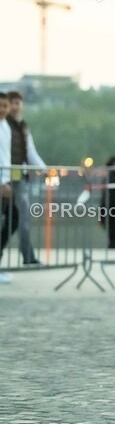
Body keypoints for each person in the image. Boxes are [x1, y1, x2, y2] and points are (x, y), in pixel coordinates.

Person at [6, 91, 46, 265]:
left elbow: (30, 151)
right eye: (12, 103)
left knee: (23, 218)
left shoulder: (23, 127)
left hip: (18, 176)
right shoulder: (4, 125)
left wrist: (43, 168)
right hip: (6, 176)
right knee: (14, 218)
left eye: (18, 102)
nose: (15, 106)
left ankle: (28, 255)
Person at [0, 92, 14, 284]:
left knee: (12, 218)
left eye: (5, 105)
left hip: (6, 180)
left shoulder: (6, 126)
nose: (3, 109)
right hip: (1, 181)